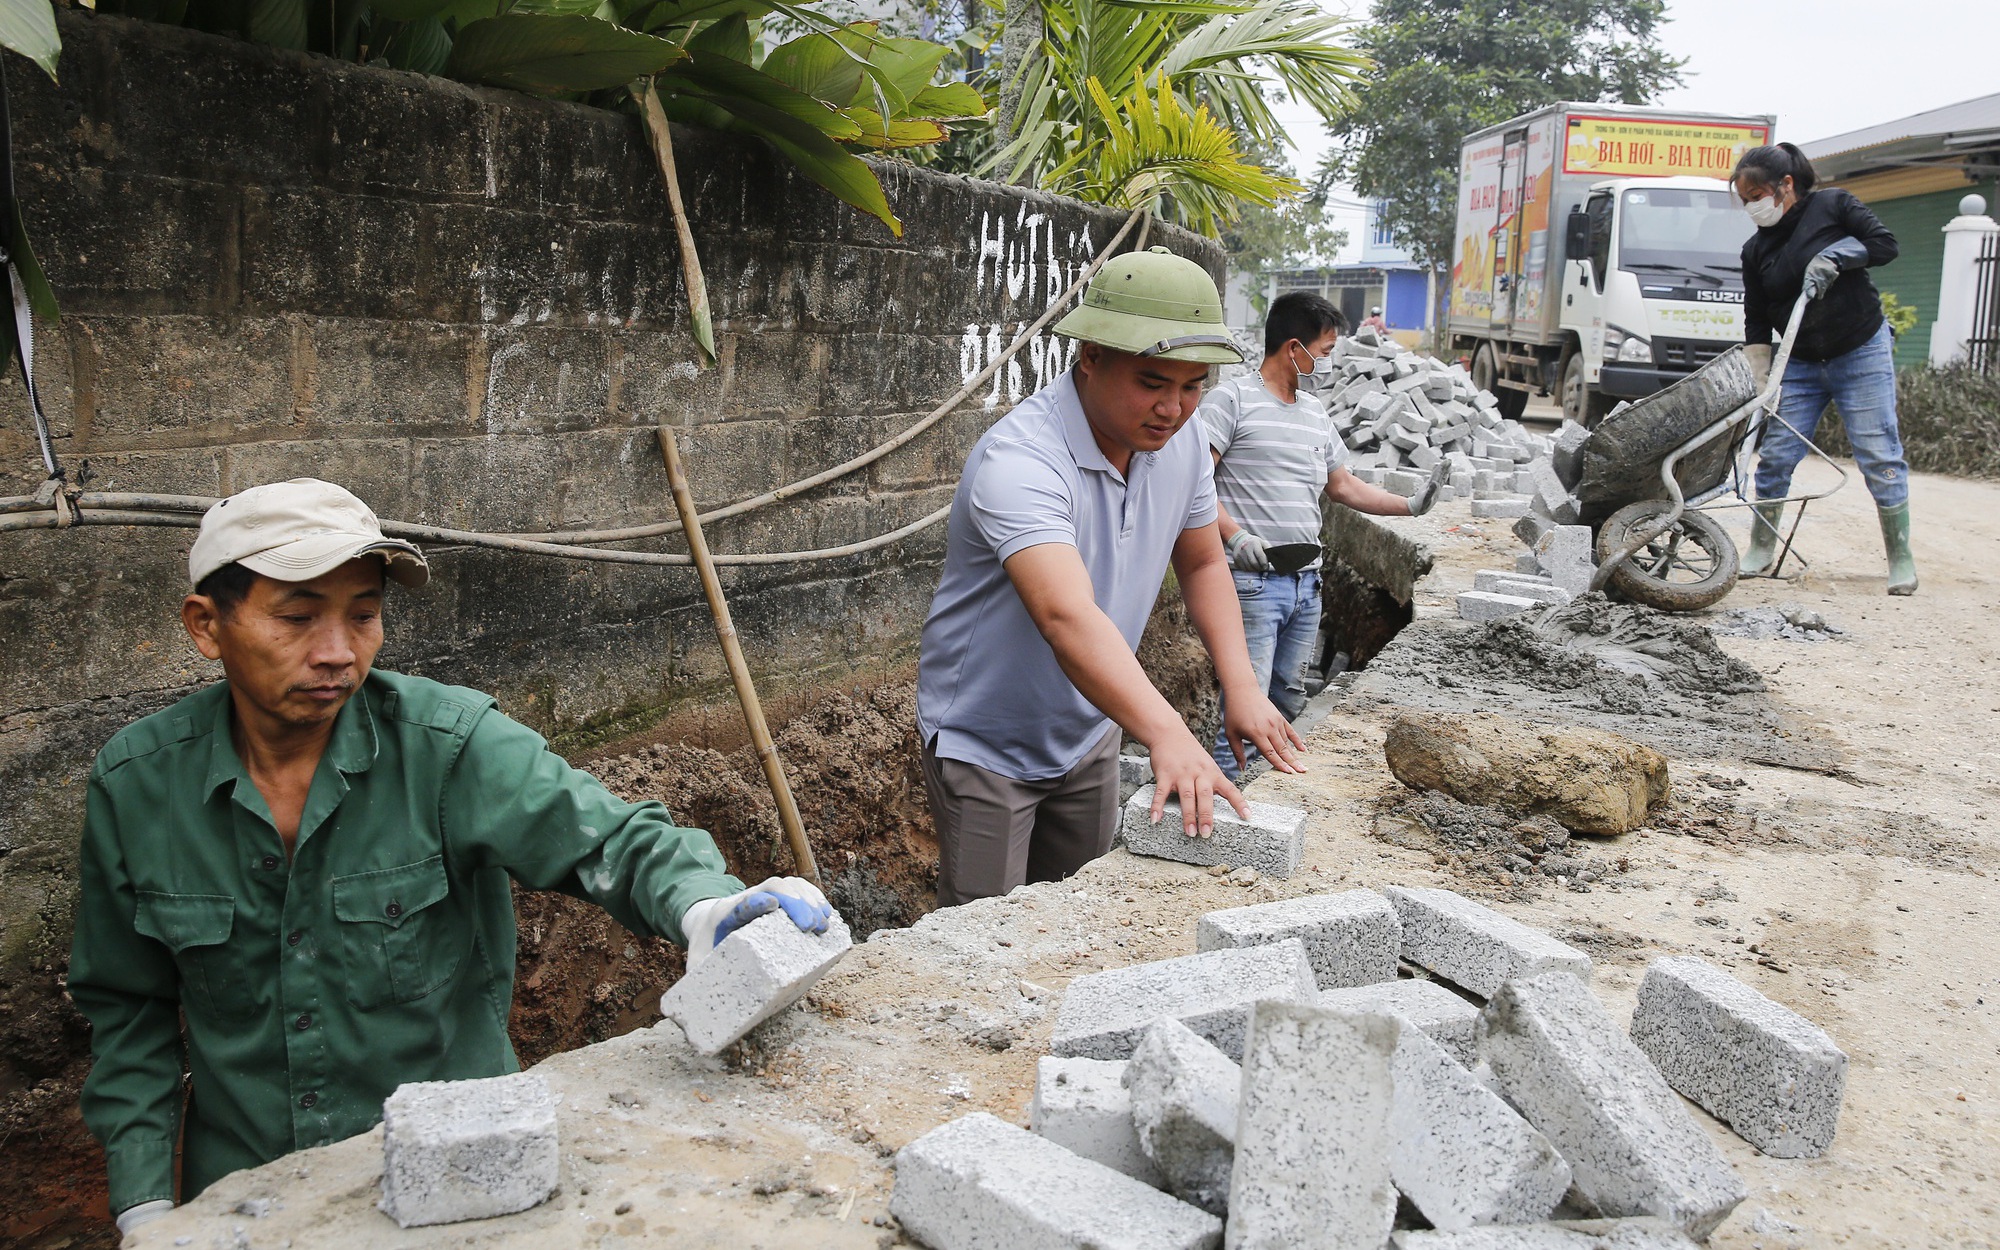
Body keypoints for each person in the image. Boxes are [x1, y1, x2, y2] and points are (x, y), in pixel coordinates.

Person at [69, 479, 838, 1237]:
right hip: (253, 1201)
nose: (338, 652)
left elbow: (611, 838)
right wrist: (146, 1209)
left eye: (363, 616)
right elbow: (127, 1010)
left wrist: (703, 906)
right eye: (298, 618)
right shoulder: (138, 787)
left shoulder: (446, 747)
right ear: (207, 626)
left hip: (464, 1191)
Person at [917, 246, 1306, 908]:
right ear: (1089, 357)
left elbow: (1205, 558)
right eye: (1153, 383)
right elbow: (1065, 616)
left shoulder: (1180, 441)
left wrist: (1241, 684)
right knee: (987, 948)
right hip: (988, 747)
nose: (1174, 408)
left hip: (1092, 732)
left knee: (1075, 924)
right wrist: (1167, 733)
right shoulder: (1022, 463)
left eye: (1193, 386)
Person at [1201, 291, 1444, 778]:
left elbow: (1344, 487)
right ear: (1294, 348)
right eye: (1326, 351)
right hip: (1252, 583)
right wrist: (1234, 537)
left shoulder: (1313, 412)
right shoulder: (1232, 401)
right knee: (1246, 700)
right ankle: (1222, 799)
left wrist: (1409, 506)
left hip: (1306, 585)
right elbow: (1193, 482)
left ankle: (1265, 793)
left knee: (1287, 697)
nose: (1329, 362)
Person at [1733, 141, 1917, 595]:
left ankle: (1901, 558)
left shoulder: (1833, 205)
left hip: (1859, 349)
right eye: (1745, 200)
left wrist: (1838, 256)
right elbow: (1756, 318)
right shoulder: (1756, 249)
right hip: (1798, 361)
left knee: (1878, 453)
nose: (1753, 205)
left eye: (1757, 194)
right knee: (1775, 456)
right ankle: (1760, 547)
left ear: (1785, 185)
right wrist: (1762, 376)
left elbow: (1884, 244)